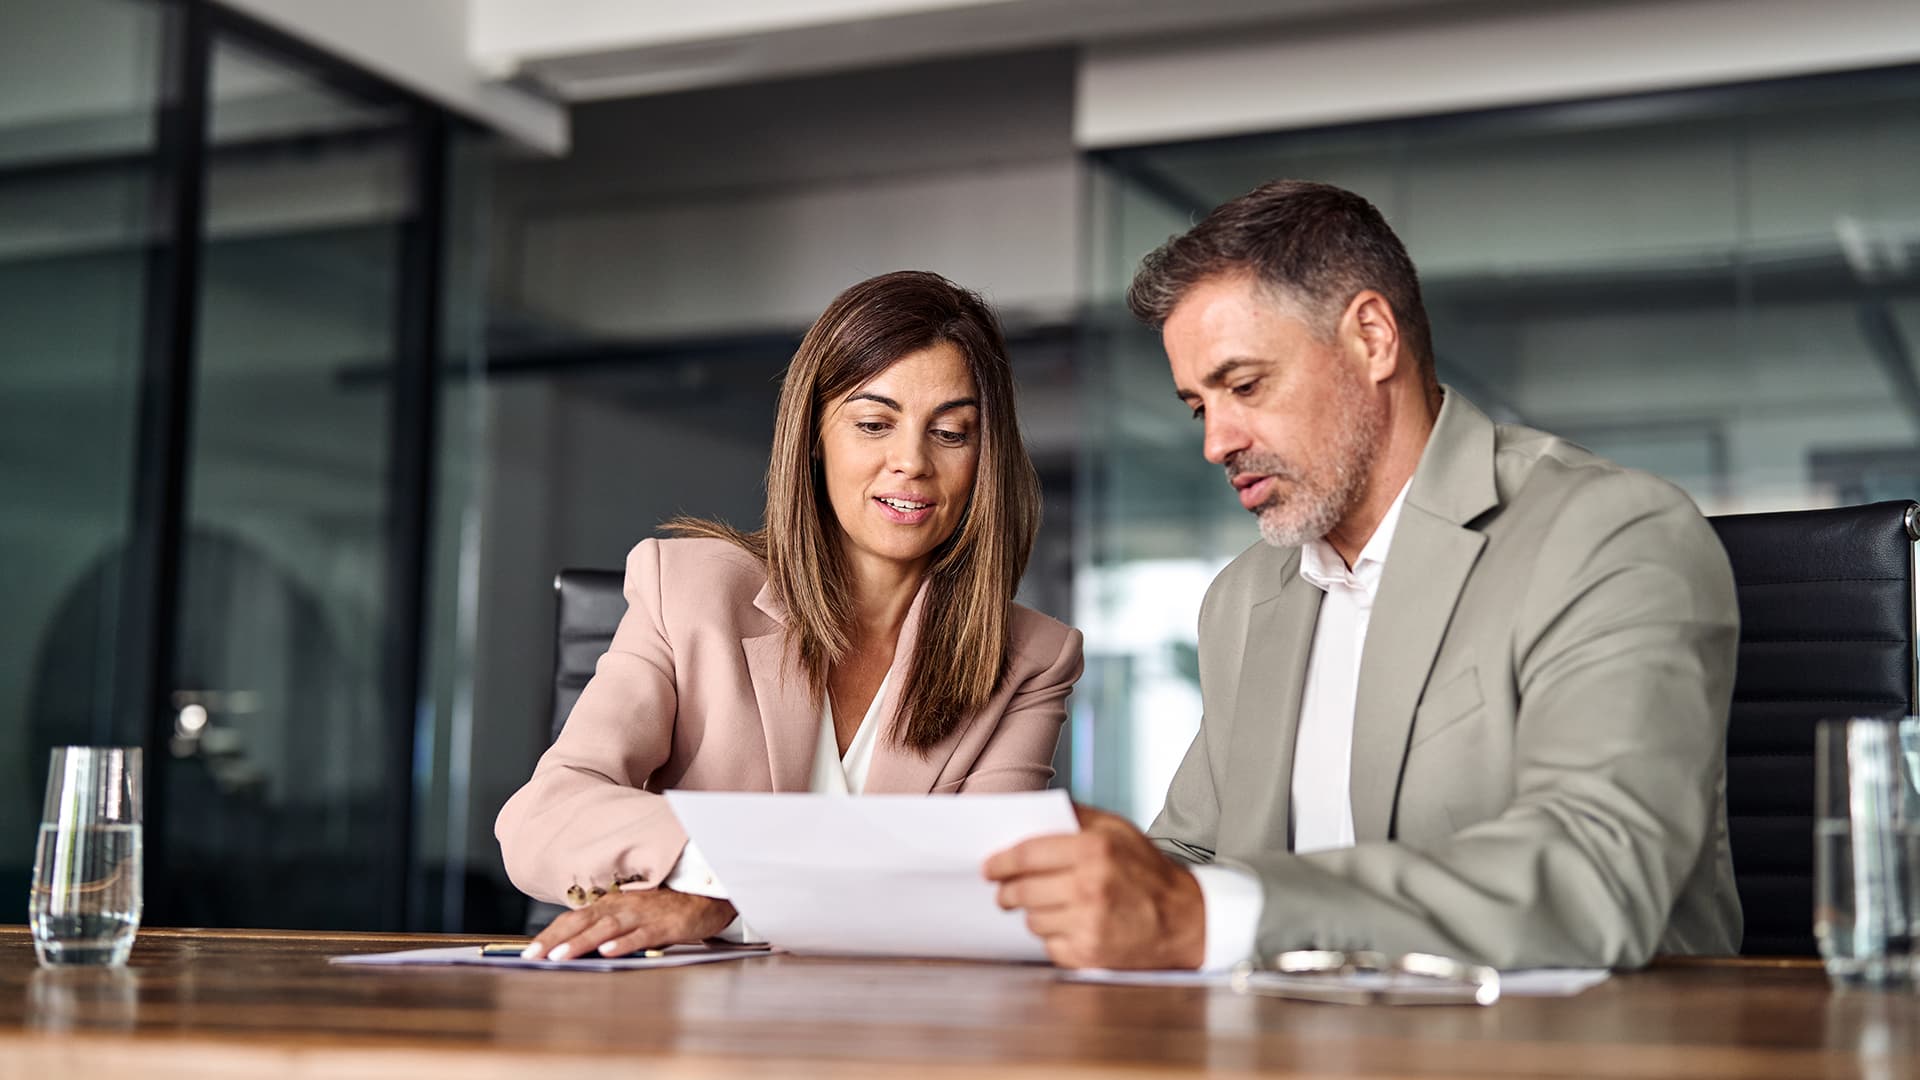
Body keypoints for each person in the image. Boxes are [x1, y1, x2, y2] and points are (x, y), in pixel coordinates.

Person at [985, 180, 1742, 971]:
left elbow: (1596, 875)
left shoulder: (1607, 534)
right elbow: (1194, 856)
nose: (1217, 441)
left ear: (1373, 338)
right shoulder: (1244, 598)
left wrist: (1213, 914)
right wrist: (1099, 883)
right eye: (1198, 406)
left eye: (1244, 386)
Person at [500, 270, 1083, 961]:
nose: (911, 462)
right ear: (814, 436)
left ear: (985, 458)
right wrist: (716, 879)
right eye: (873, 424)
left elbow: (989, 895)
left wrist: (735, 896)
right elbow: (543, 817)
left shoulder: (1032, 658)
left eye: (952, 434)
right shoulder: (686, 589)